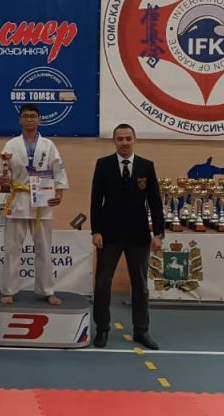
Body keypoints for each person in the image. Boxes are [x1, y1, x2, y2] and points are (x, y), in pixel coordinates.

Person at [90, 123, 165, 350]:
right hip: (109, 235)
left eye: (128, 138)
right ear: (114, 141)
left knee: (140, 286)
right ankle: (102, 329)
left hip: (138, 235)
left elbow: (155, 202)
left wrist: (159, 233)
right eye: (120, 139)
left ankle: (141, 331)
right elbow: (96, 201)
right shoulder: (103, 165)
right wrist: (96, 231)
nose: (124, 143)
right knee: (102, 285)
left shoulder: (146, 166)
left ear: (134, 140)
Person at [0, 103, 68, 306]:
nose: (29, 119)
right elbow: (3, 174)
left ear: (39, 119)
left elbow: (59, 169)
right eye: (26, 116)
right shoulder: (11, 145)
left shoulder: (48, 145)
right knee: (12, 249)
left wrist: (59, 193)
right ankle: (9, 290)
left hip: (42, 200)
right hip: (18, 199)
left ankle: (47, 290)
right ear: (20, 119)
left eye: (33, 116)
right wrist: (3, 180)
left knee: (44, 249)